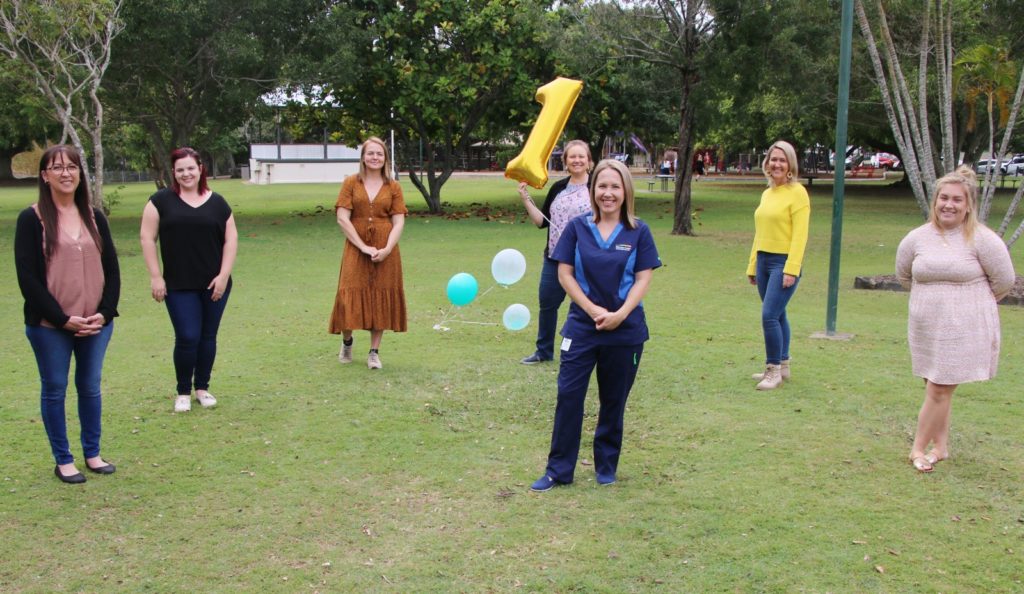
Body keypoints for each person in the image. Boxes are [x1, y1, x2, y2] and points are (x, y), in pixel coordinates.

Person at [530, 159, 661, 492]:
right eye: (602, 186)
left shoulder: (638, 231)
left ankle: (606, 466)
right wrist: (591, 310)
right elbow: (564, 274)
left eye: (615, 187)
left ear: (626, 191)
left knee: (614, 399)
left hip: (626, 330)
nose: (608, 193)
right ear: (592, 190)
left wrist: (620, 314)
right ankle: (558, 470)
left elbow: (643, 278)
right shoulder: (577, 227)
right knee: (568, 395)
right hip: (582, 327)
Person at [895, 166, 1015, 473]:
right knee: (937, 389)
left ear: (968, 205)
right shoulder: (917, 238)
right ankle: (942, 446)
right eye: (943, 198)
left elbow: (1003, 281)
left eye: (957, 200)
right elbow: (904, 275)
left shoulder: (982, 239)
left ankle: (918, 449)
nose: (949, 205)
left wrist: (967, 303)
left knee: (938, 388)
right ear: (935, 201)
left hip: (963, 328)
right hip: (926, 326)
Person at [15, 145, 120, 484]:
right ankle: (64, 460)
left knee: (90, 387)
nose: (66, 173)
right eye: (57, 167)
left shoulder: (94, 216)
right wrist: (62, 319)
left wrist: (104, 314)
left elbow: (112, 269)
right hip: (50, 326)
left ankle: (92, 453)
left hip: (95, 324)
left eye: (72, 167)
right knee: (55, 389)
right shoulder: (31, 219)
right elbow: (27, 278)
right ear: (44, 175)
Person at [140, 147, 238, 413]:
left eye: (190, 168)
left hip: (214, 284)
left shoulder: (218, 202)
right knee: (187, 336)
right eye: (180, 169)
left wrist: (223, 276)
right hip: (178, 284)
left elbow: (230, 240)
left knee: (208, 336)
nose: (186, 174)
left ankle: (202, 388)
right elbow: (148, 238)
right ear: (173, 172)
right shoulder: (160, 201)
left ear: (200, 168)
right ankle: (183, 390)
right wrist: (156, 276)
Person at [329, 136, 408, 369]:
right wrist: (362, 246)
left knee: (381, 296)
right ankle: (347, 341)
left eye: (379, 154)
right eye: (371, 153)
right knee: (349, 293)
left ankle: (374, 351)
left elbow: (399, 221)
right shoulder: (351, 183)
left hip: (386, 248)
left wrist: (387, 249)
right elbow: (342, 218)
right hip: (356, 246)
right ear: (363, 157)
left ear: (385, 158)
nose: (375, 157)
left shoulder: (393, 186)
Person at [517, 139, 593, 364]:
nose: (577, 160)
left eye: (581, 156)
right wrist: (525, 198)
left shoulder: (597, 187)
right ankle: (544, 351)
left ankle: (585, 350)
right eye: (572, 157)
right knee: (547, 304)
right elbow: (542, 222)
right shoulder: (558, 188)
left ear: (589, 161)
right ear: (566, 161)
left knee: (584, 305)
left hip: (586, 259)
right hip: (555, 257)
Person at [746, 140, 810, 390]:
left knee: (769, 315)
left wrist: (791, 268)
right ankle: (783, 366)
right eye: (773, 159)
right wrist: (753, 266)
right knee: (778, 314)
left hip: (783, 262)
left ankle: (772, 370)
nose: (777, 164)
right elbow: (759, 233)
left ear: (790, 164)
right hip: (763, 260)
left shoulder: (798, 193)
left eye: (782, 160)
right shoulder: (767, 193)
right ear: (767, 163)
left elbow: (800, 235)